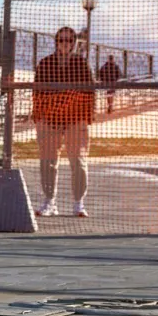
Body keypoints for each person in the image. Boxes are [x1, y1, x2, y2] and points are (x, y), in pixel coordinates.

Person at [32, 26, 95, 217]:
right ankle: (49, 201)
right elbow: (38, 92)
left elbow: (89, 93)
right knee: (48, 161)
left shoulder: (82, 64)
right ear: (56, 42)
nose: (65, 44)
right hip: (50, 119)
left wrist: (85, 115)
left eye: (69, 40)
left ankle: (78, 202)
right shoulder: (45, 63)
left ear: (74, 43)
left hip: (75, 119)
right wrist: (41, 114)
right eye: (61, 40)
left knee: (78, 160)